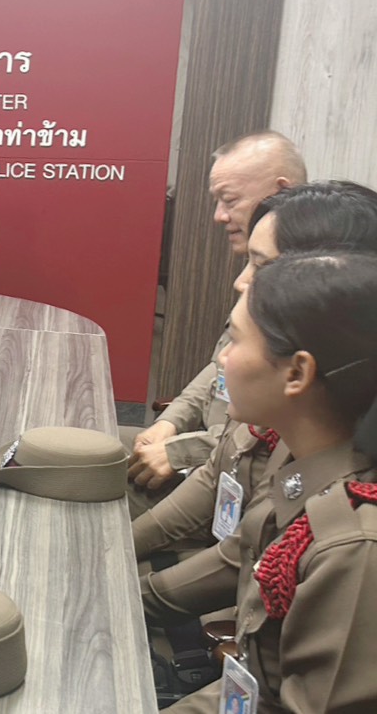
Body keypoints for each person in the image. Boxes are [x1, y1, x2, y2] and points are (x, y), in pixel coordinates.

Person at [137, 182, 377, 607]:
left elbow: (251, 559)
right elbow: (227, 483)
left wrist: (137, 595)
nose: (242, 281)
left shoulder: (323, 443)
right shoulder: (286, 403)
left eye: (263, 266)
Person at [161, 250, 377, 713]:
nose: (222, 357)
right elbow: (257, 684)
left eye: (236, 340)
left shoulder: (354, 546)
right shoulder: (300, 465)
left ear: (297, 373)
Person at [124, 131, 307, 517]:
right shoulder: (261, 268)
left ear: (280, 192)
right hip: (202, 453)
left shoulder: (312, 301)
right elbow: (218, 368)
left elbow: (270, 439)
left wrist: (180, 451)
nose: (219, 216)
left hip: (226, 481)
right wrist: (171, 423)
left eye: (230, 200)